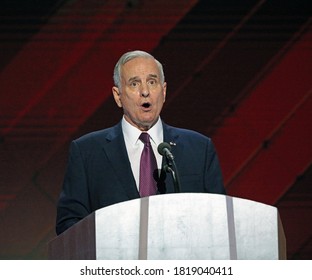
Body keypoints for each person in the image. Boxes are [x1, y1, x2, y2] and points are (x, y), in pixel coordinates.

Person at [55, 50, 226, 235]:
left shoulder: (199, 149)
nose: (145, 92)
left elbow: (220, 219)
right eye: (134, 83)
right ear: (118, 96)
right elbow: (69, 225)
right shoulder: (87, 152)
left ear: (164, 90)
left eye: (152, 82)